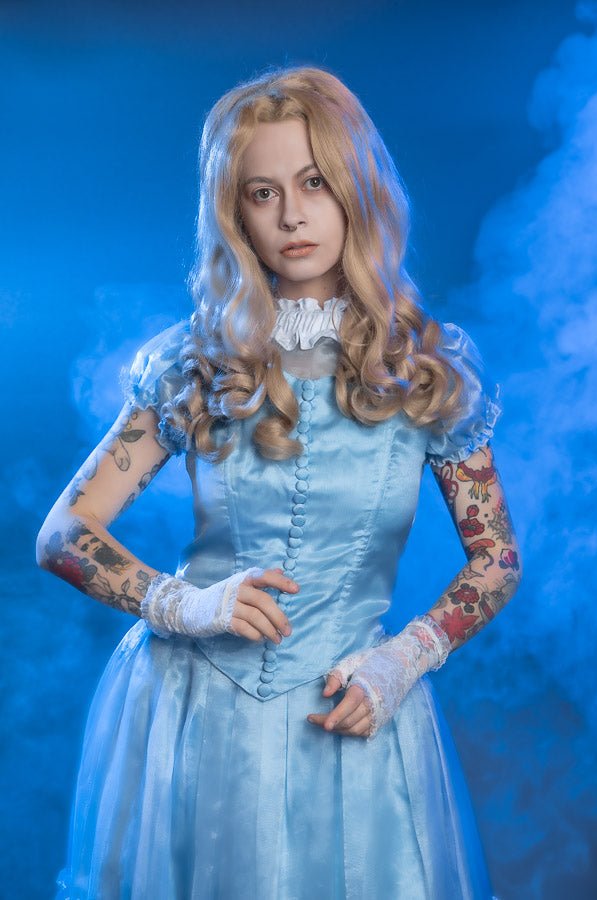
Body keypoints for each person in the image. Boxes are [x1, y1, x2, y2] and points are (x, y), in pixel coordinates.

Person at [37, 65, 521, 900]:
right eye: (262, 193)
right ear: (236, 214)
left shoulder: (427, 370)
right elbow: (62, 535)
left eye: (314, 182)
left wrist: (403, 659)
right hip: (191, 712)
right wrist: (187, 605)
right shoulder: (194, 363)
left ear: (357, 188)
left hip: (354, 710)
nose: (292, 215)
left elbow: (497, 561)